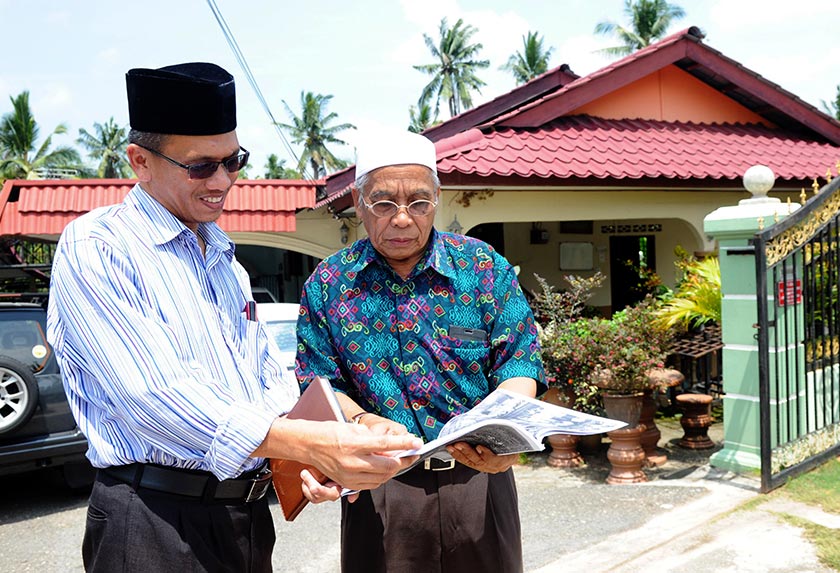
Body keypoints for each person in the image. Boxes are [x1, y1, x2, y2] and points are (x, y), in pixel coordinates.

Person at [46, 63, 421, 573]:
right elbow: (152, 396)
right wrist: (309, 442)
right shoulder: (100, 245)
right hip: (155, 522)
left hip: (243, 520)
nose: (223, 181)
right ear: (140, 161)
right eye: (201, 166)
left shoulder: (224, 261)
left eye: (234, 160)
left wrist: (329, 441)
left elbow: (265, 384)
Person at [295, 129, 547, 573]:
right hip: (380, 486)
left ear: (437, 199)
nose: (402, 219)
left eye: (418, 202)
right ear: (358, 202)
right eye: (384, 203)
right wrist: (361, 420)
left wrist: (509, 433)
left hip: (481, 480)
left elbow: (520, 360)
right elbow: (318, 384)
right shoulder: (329, 284)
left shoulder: (483, 267)